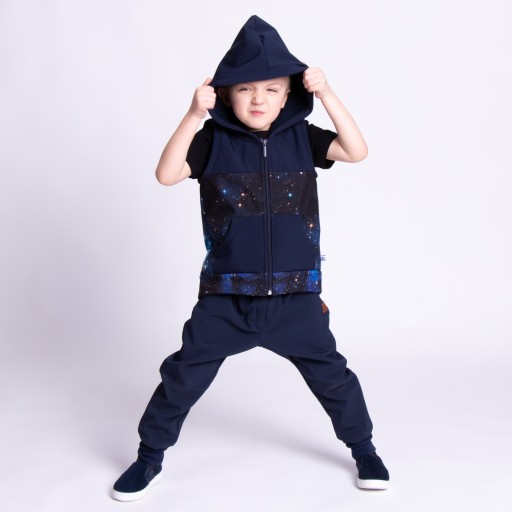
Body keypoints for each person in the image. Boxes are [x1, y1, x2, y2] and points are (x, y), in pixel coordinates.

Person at [112, 15, 389, 502]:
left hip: (295, 296)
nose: (258, 99)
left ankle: (364, 450)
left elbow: (356, 150)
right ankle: (149, 456)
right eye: (245, 89)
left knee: (334, 378)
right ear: (224, 94)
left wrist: (327, 94)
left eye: (271, 89)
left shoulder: (302, 138)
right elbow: (167, 174)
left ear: (288, 95)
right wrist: (192, 116)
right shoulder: (212, 141)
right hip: (227, 297)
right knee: (182, 377)